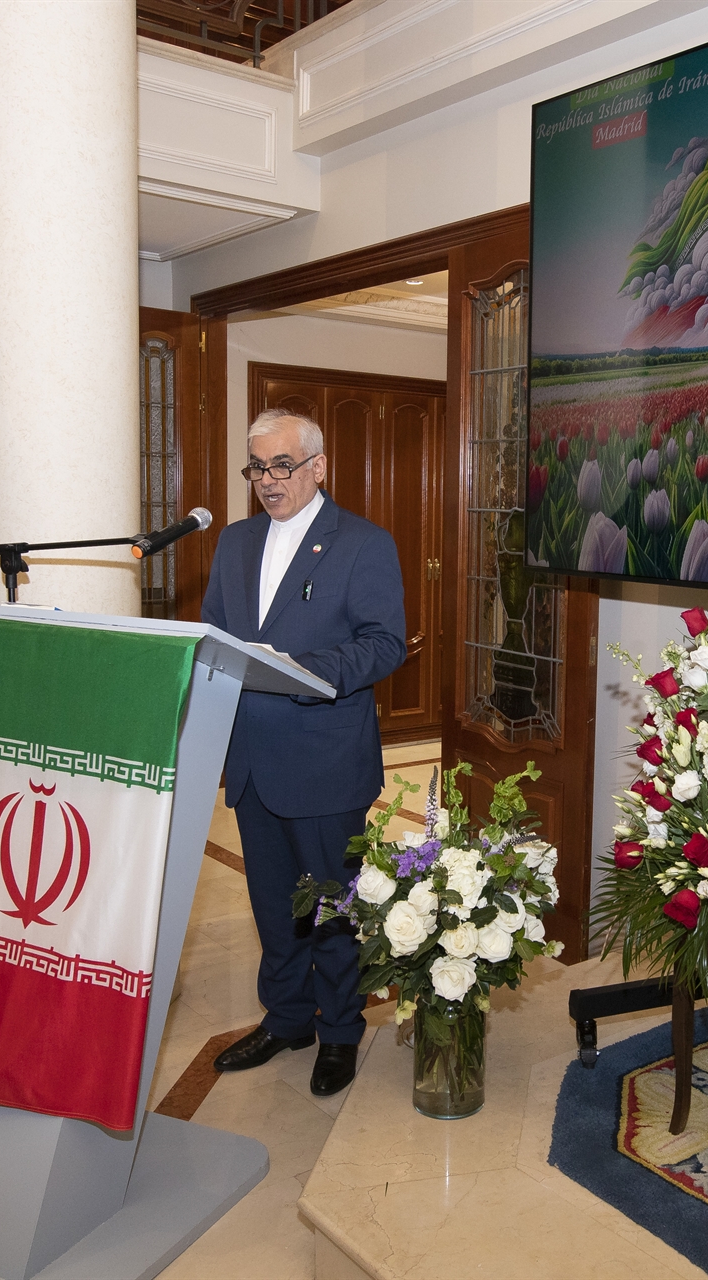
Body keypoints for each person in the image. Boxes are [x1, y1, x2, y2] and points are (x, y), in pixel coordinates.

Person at [202, 408, 406, 1097]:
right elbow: (214, 633)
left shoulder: (363, 543)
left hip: (324, 760)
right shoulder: (234, 542)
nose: (268, 480)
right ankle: (287, 1018)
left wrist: (302, 670)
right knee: (272, 907)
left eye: (282, 465)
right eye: (257, 467)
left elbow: (384, 643)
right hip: (252, 760)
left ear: (318, 467)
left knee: (331, 909)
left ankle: (341, 1030)